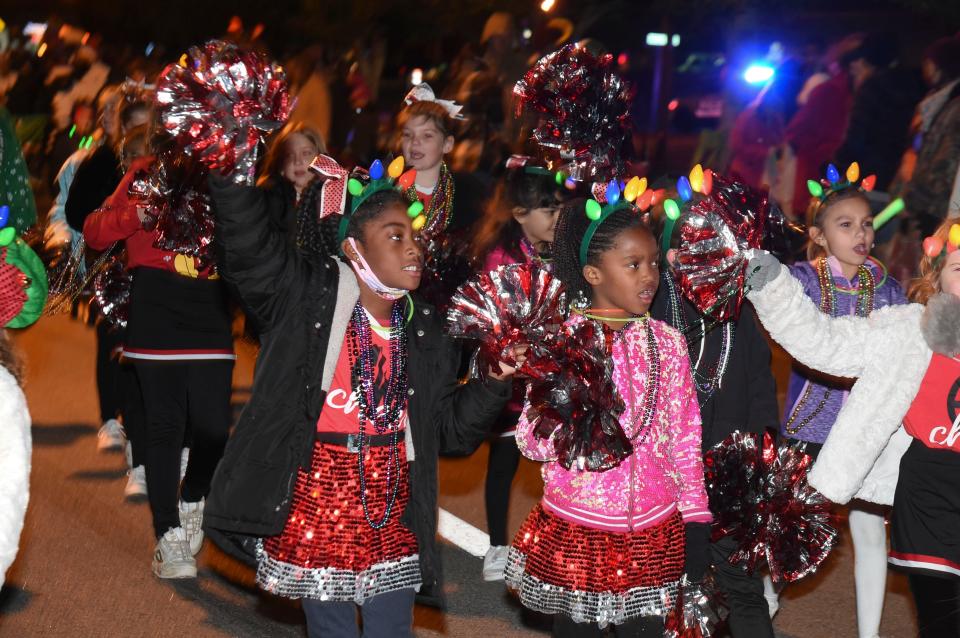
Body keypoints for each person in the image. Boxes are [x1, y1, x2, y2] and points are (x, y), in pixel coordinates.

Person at [204, 158, 515, 637]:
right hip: (321, 495)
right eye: (396, 236)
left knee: (392, 629)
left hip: (393, 497)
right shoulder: (307, 297)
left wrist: (493, 380)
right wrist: (231, 163)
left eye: (414, 236)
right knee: (333, 632)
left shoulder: (425, 328)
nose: (414, 248)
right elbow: (250, 248)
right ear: (354, 247)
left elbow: (447, 433)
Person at [505, 196, 711, 637]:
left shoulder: (668, 343)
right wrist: (564, 402)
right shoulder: (562, 342)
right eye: (633, 265)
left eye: (654, 263)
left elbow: (686, 437)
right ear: (594, 274)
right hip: (582, 530)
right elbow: (530, 442)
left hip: (655, 529)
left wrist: (695, 519)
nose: (649, 276)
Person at [745, 215, 960, 637]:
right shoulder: (907, 333)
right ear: (937, 280)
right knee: (945, 621)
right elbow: (825, 341)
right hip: (930, 496)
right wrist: (772, 285)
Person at [83, 151, 234, 579]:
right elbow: (95, 231)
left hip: (209, 307)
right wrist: (137, 212)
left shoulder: (224, 171)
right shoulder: (147, 171)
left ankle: (193, 496)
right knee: (165, 426)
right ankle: (168, 536)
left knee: (213, 429)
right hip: (156, 306)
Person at [779, 172, 908, 638]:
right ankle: (764, 606)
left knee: (871, 529)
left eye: (867, 224)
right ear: (818, 235)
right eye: (846, 225)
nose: (861, 235)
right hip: (813, 424)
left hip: (870, 427)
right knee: (790, 522)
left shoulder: (889, 289)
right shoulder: (803, 283)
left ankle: (868, 635)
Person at [651, 183, 781, 637]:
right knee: (669, 589)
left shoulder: (739, 314)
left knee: (742, 587)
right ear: (671, 258)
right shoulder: (652, 311)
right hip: (666, 480)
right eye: (697, 247)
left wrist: (760, 452)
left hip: (728, 473)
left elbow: (762, 388)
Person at [469, 157, 565, 581]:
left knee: (561, 466)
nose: (557, 216)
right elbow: (495, 322)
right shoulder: (499, 258)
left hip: (550, 376)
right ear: (519, 214)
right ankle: (496, 546)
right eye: (550, 209)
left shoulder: (557, 253)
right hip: (510, 377)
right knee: (504, 463)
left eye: (560, 208)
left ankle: (558, 544)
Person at [902, 35, 960, 237]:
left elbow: (945, 162)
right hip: (931, 205)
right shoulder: (939, 101)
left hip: (938, 210)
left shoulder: (952, 106)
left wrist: (917, 196)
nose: (925, 69)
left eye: (929, 63)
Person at [257, 123, 325, 244]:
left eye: (306, 153)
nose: (297, 161)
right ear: (280, 165)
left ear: (321, 159)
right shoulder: (266, 204)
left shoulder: (337, 200)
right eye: (289, 155)